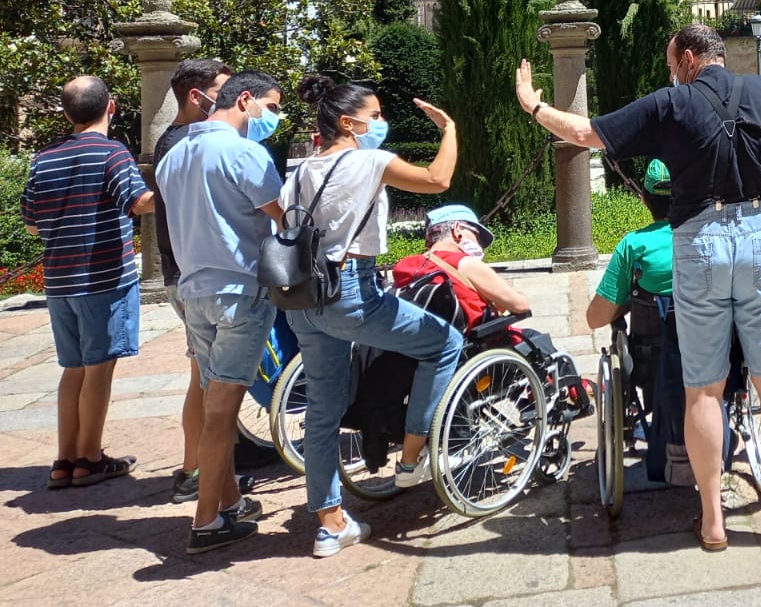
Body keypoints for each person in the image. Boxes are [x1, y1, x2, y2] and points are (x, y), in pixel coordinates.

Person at [515, 22, 761, 551]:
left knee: (703, 389)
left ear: (686, 59)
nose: (670, 74)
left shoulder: (671, 103)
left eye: (670, 65)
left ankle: (712, 522)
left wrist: (534, 106)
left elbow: (586, 133)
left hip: (700, 241)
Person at [284, 75, 463, 559]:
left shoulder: (299, 171)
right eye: (376, 115)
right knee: (444, 343)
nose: (381, 123)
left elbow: (284, 220)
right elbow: (437, 180)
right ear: (349, 123)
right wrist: (449, 129)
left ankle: (329, 525)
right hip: (351, 290)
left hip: (303, 296)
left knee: (322, 411)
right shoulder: (370, 160)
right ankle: (411, 459)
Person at [155, 71, 286, 554]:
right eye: (272, 106)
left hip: (194, 292)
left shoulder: (173, 156)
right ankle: (206, 521)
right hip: (239, 291)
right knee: (221, 413)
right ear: (245, 99)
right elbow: (284, 216)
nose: (274, 117)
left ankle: (228, 503)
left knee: (216, 405)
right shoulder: (243, 152)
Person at [22, 76, 154, 491]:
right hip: (104, 278)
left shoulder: (44, 158)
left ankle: (65, 459)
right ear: (110, 106)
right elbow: (139, 202)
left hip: (59, 282)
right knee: (99, 368)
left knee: (74, 368)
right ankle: (90, 459)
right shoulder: (112, 152)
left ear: (66, 114)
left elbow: (31, 224)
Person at [150, 56, 232, 505]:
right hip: (191, 275)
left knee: (205, 375)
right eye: (223, 91)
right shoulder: (185, 142)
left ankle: (202, 466)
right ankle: (195, 472)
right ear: (196, 96)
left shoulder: (175, 140)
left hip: (185, 272)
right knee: (206, 379)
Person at [584, 160, 687, 484]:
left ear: (644, 198)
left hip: (649, 358)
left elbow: (595, 318)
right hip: (708, 350)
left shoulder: (633, 246)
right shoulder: (705, 235)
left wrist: (626, 305)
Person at [392, 204, 530, 329]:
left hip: (426, 342)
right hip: (483, 343)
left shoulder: (403, 266)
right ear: (457, 229)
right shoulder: (465, 263)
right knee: (534, 338)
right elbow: (520, 305)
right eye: (476, 235)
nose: (479, 244)